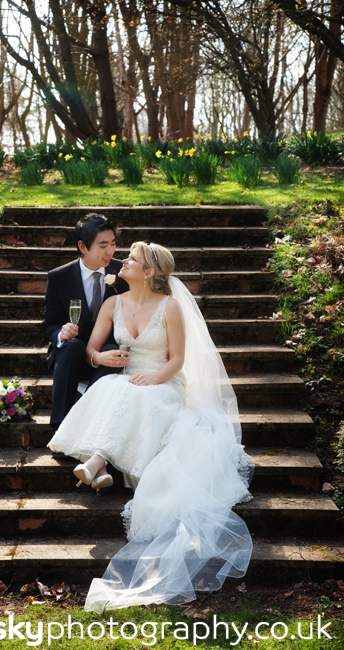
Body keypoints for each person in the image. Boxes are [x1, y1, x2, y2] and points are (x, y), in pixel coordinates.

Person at [48, 241, 254, 612]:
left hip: (162, 382)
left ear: (148, 273)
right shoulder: (113, 304)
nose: (123, 261)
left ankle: (98, 463)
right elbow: (92, 350)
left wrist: (154, 379)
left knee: (136, 396)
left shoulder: (170, 307)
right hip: (126, 378)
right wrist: (102, 357)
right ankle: (102, 466)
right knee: (111, 389)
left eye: (132, 259)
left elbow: (177, 360)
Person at [44, 213, 128, 430]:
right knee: (72, 347)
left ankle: (88, 417)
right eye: (103, 245)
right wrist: (60, 334)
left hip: (106, 354)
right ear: (83, 247)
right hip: (72, 357)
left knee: (114, 350)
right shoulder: (59, 277)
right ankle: (60, 427)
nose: (110, 251)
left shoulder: (123, 272)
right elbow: (49, 325)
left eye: (113, 244)